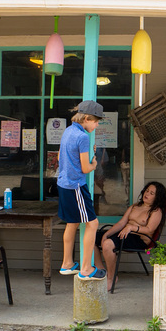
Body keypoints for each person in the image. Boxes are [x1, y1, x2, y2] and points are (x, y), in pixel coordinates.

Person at [57, 100, 106, 280]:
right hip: (76, 186)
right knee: (92, 223)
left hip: (63, 184)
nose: (97, 124)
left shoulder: (68, 131)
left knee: (72, 222)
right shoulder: (83, 137)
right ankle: (86, 269)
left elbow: (66, 157)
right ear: (86, 118)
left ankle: (67, 264)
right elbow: (85, 168)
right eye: (96, 121)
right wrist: (94, 163)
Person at [94, 181, 166, 291]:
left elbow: (149, 229)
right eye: (147, 191)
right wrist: (107, 233)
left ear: (157, 197)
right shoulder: (135, 206)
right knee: (91, 238)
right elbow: (122, 223)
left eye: (152, 193)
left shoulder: (156, 211)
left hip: (139, 240)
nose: (147, 194)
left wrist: (132, 228)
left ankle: (111, 278)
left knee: (108, 244)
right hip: (124, 234)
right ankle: (101, 271)